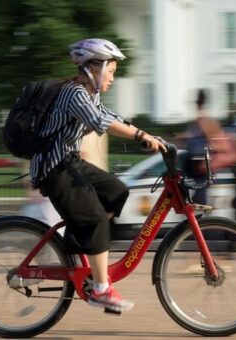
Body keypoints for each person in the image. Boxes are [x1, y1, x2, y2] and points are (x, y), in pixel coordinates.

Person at [30, 38, 166, 312]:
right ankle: (101, 290)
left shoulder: (89, 94)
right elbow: (100, 122)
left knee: (116, 190)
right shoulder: (74, 94)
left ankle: (85, 246)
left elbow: (110, 115)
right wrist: (141, 135)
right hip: (54, 168)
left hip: (69, 162)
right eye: (112, 71)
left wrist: (148, 135)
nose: (113, 78)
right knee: (95, 220)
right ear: (94, 67)